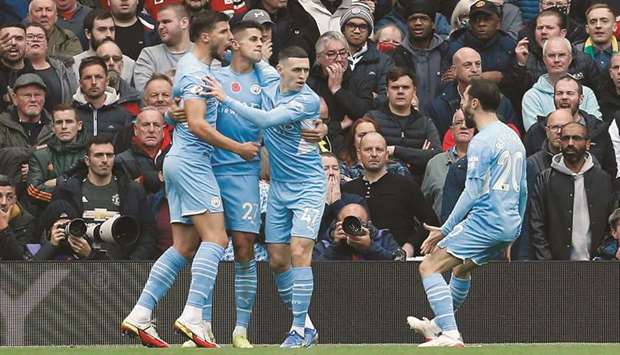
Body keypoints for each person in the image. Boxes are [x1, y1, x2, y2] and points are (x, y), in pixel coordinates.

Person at [121, 11, 258, 349]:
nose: (231, 38)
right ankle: (194, 315)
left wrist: (173, 112)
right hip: (193, 163)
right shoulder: (197, 71)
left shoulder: (191, 67)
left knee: (182, 247)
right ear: (205, 37)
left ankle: (140, 314)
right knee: (216, 239)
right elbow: (197, 124)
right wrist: (238, 148)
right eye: (225, 31)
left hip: (179, 162)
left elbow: (181, 111)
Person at [205, 45, 324, 348]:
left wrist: (224, 97)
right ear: (280, 69)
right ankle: (307, 324)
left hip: (308, 186)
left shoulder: (307, 99)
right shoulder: (269, 80)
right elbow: (249, 59)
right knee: (277, 260)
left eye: (306, 70)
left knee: (299, 252)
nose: (302, 75)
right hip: (279, 189)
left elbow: (265, 121)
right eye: (296, 69)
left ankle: (297, 329)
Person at [409, 79, 526, 347]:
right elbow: (523, 189)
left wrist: (445, 229)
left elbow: (472, 193)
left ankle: (450, 334)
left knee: (429, 266)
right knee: (460, 269)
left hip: (486, 220)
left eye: (463, 100)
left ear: (474, 103)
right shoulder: (513, 138)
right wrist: (514, 231)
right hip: (508, 223)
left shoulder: (481, 141)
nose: (461, 106)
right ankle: (439, 324)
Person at [51, 134, 158, 260]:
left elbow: (148, 234)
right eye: (99, 155)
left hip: (121, 269)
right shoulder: (67, 190)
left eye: (109, 155)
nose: (105, 160)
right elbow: (55, 231)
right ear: (87, 160)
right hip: (77, 268)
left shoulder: (133, 190)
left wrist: (130, 264)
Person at [342, 132, 438, 256]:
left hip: (396, 261)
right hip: (354, 261)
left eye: (379, 149)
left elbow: (430, 221)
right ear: (359, 154)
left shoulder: (404, 185)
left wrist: (410, 246)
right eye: (368, 149)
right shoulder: (349, 189)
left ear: (387, 154)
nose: (374, 154)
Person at [529, 122, 614, 260]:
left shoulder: (603, 179)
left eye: (576, 138)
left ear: (588, 144)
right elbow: (537, 225)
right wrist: (547, 262)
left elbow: (609, 225)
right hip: (556, 267)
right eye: (565, 138)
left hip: (597, 266)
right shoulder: (546, 179)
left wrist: (603, 257)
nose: (570, 143)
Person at [524, 74, 616, 178]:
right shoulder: (536, 131)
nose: (564, 97)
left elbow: (610, 171)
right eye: (559, 93)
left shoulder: (598, 130)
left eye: (570, 93)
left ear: (581, 99)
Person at [365, 66, 441, 180]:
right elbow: (363, 151)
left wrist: (394, 150)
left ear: (414, 91)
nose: (400, 91)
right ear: (387, 91)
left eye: (405, 87)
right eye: (395, 87)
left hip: (417, 185)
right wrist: (418, 156)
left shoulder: (425, 123)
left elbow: (436, 156)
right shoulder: (372, 118)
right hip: (381, 181)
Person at [426, 47, 517, 140]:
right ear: (454, 70)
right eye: (467, 65)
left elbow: (511, 136)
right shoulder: (439, 106)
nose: (474, 69)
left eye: (478, 64)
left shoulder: (501, 101)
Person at [521, 37, 601, 131]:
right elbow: (535, 135)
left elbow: (597, 129)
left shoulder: (587, 93)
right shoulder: (532, 97)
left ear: (570, 58)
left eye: (562, 55)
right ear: (544, 59)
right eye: (551, 55)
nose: (556, 60)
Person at [388, 1, 450, 110]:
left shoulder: (447, 51)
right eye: (413, 19)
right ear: (407, 23)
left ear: (433, 24)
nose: (418, 23)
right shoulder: (397, 55)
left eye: (423, 19)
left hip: (443, 116)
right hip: (409, 116)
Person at [27, 104, 87, 211]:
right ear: (53, 128)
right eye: (59, 122)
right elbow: (33, 191)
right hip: (50, 214)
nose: (64, 126)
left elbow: (97, 186)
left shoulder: (91, 153)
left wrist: (59, 182)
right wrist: (75, 192)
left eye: (69, 121)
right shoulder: (40, 155)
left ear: (79, 125)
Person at [0, 74, 53, 188]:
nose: (33, 100)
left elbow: (65, 160)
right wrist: (32, 151)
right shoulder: (2, 125)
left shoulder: (55, 126)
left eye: (38, 95)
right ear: (14, 98)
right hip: (8, 198)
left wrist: (36, 170)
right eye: (27, 95)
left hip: (45, 196)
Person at [446, 0, 516, 83]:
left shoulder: (507, 43)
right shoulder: (456, 45)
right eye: (476, 20)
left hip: (501, 92)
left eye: (487, 19)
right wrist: (479, 79)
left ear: (498, 24)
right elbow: (447, 79)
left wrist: (503, 78)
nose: (481, 24)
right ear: (470, 24)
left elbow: (517, 79)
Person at [422, 109, 475, 218]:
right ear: (451, 131)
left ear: (475, 129)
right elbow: (423, 204)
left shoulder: (484, 162)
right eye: (458, 123)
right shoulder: (435, 163)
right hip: (441, 231)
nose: (463, 126)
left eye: (468, 123)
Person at [133, 4, 192, 92]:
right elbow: (146, 93)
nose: (160, 27)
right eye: (158, 23)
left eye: (166, 22)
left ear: (184, 23)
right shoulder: (148, 55)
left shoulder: (203, 53)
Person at [313, 202, 401, 261]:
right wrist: (336, 246)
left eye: (359, 222)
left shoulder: (383, 238)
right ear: (336, 224)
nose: (352, 227)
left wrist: (370, 247)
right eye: (347, 222)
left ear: (368, 224)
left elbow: (399, 266)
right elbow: (315, 273)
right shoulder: (325, 245)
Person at [72, 56, 133, 137]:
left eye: (98, 77)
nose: (93, 82)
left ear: (107, 81)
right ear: (80, 83)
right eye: (88, 78)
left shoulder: (124, 115)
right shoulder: (70, 114)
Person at [24, 22, 78, 112]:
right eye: (30, 36)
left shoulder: (63, 69)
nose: (35, 39)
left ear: (47, 43)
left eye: (40, 37)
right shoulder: (15, 70)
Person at [72, 9, 135, 83]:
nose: (108, 34)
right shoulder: (74, 65)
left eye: (112, 29)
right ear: (88, 33)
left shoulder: (129, 64)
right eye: (102, 29)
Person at [339, 116, 410, 180]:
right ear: (353, 141)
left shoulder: (396, 168)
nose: (368, 138)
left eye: (372, 134)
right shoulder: (344, 169)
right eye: (362, 135)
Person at [95, 39, 141, 117]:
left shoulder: (137, 99)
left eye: (116, 59)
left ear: (122, 65)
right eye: (105, 59)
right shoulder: (83, 99)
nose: (111, 63)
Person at [0, 24, 34, 112]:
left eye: (19, 38)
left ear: (27, 43)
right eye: (6, 39)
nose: (13, 43)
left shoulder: (38, 76)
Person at [0, 174, 35, 260]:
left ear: (15, 199)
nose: (3, 202)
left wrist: (4, 230)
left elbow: (23, 261)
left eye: (9, 197)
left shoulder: (27, 222)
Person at [575, 3, 618, 72]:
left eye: (604, 21)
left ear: (614, 27)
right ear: (587, 28)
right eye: (593, 22)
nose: (598, 26)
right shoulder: (575, 52)